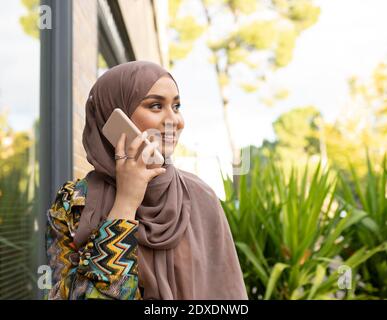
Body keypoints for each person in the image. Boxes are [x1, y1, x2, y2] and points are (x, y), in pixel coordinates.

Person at [45, 60, 248, 300]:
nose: (175, 120)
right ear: (112, 115)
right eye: (155, 106)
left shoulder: (201, 196)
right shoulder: (73, 202)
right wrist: (125, 204)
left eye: (177, 106)